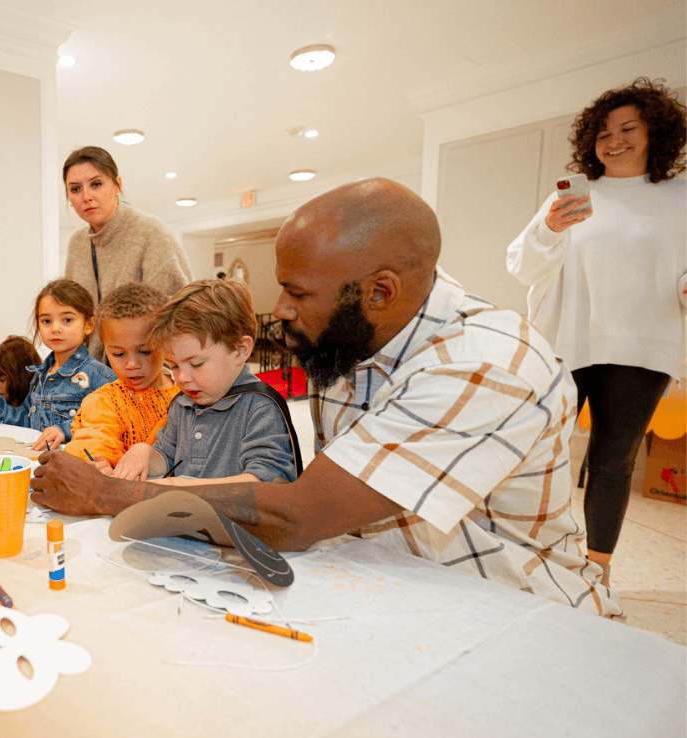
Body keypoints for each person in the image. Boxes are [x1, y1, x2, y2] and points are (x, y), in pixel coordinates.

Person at [32, 178, 622, 618]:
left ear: (379, 291)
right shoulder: (351, 337)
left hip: (512, 611)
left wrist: (110, 493)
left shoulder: (487, 363)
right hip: (391, 582)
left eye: (296, 292)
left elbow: (298, 513)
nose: (280, 310)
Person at [506, 78, 686, 586]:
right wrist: (552, 229)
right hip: (569, 341)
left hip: (642, 347)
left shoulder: (681, 197)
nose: (614, 140)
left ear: (656, 133)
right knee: (542, 449)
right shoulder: (571, 198)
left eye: (628, 128)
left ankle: (597, 569)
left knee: (613, 461)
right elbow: (522, 264)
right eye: (603, 132)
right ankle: (538, 549)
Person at [103, 280, 296, 485]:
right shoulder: (182, 404)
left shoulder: (260, 407)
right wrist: (144, 453)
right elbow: (168, 457)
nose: (183, 378)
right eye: (174, 366)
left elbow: (269, 482)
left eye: (196, 363)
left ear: (240, 350)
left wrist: (181, 487)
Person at [62, 146, 191, 357]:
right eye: (75, 189)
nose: (86, 196)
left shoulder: (150, 231)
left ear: (117, 186)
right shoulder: (77, 243)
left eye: (96, 184)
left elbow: (178, 313)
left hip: (141, 371)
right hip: (90, 374)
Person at [0, 279, 115, 451]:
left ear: (89, 325)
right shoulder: (40, 375)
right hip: (36, 461)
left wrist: (66, 429)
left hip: (74, 465)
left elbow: (112, 423)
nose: (55, 328)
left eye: (67, 320)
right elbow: (25, 418)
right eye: (47, 321)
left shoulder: (101, 376)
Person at [64, 283, 180, 476]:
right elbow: (94, 441)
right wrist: (97, 464)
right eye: (118, 353)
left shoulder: (190, 392)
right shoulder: (104, 402)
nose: (131, 364)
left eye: (144, 351)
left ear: (167, 341)